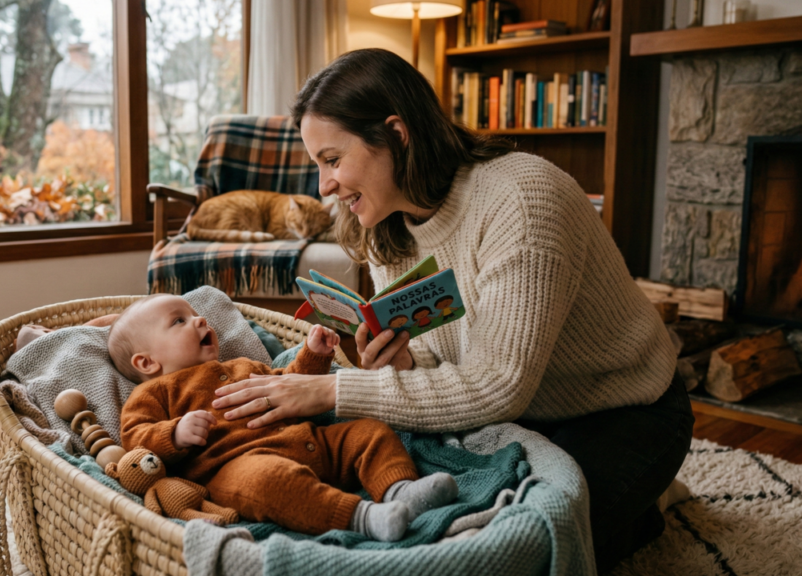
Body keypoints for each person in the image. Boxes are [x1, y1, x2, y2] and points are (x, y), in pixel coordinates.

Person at [210, 48, 693, 572]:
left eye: (332, 160)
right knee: (431, 521)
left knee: (518, 554)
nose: (324, 185)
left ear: (397, 135)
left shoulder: (521, 199)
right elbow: (448, 364)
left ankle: (644, 501)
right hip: (521, 415)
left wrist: (330, 389)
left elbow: (497, 384)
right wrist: (403, 362)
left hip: (624, 410)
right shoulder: (387, 225)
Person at [111, 294, 458, 541]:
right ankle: (364, 518)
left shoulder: (242, 366)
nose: (200, 320)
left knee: (368, 432)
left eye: (195, 314)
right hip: (237, 466)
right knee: (269, 482)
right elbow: (135, 439)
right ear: (147, 362)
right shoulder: (153, 393)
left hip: (307, 440)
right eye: (179, 321)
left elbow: (287, 385)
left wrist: (313, 356)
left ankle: (400, 490)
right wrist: (174, 434)